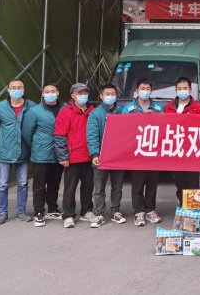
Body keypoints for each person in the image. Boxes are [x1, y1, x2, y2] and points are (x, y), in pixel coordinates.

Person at [0, 79, 36, 225]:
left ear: (24, 89)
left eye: (19, 87)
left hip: (23, 150)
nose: (16, 90)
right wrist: (1, 144)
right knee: (3, 184)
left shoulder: (31, 106)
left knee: (22, 183)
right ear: (8, 89)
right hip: (5, 151)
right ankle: (2, 213)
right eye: (13, 87)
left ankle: (21, 212)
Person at [22, 83, 65, 227]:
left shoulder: (65, 108)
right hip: (41, 154)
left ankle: (52, 208)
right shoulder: (34, 111)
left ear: (58, 93)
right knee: (39, 185)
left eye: (53, 91)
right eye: (47, 91)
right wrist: (37, 146)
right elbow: (27, 133)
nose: (50, 93)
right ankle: (39, 212)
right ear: (42, 94)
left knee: (54, 183)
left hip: (59, 152)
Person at [122, 79, 163, 227]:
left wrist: (154, 117)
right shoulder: (129, 108)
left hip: (154, 151)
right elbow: (123, 127)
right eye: (142, 88)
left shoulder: (158, 107)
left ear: (151, 91)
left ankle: (150, 210)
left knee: (152, 183)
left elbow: (165, 126)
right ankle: (139, 212)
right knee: (138, 184)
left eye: (147, 88)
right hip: (137, 152)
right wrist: (140, 118)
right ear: (136, 91)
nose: (145, 91)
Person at [54, 83, 95, 228]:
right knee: (70, 188)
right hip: (72, 157)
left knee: (88, 186)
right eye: (80, 93)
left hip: (89, 156)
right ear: (73, 95)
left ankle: (86, 211)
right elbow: (59, 136)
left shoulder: (92, 111)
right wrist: (63, 157)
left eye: (85, 93)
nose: (83, 95)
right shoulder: (65, 112)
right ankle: (68, 215)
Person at [87, 83, 126, 228]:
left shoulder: (122, 112)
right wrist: (94, 154)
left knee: (117, 186)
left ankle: (115, 211)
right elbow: (92, 136)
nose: (110, 96)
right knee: (99, 188)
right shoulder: (95, 114)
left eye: (113, 94)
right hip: (101, 157)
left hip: (118, 156)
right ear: (101, 96)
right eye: (107, 94)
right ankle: (99, 214)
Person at [164, 77, 200, 205]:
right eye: (180, 88)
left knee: (193, 181)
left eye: (185, 88)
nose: (183, 91)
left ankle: (193, 206)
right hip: (176, 149)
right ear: (176, 90)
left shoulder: (198, 107)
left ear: (190, 90)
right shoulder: (168, 107)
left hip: (192, 149)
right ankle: (182, 203)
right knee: (179, 180)